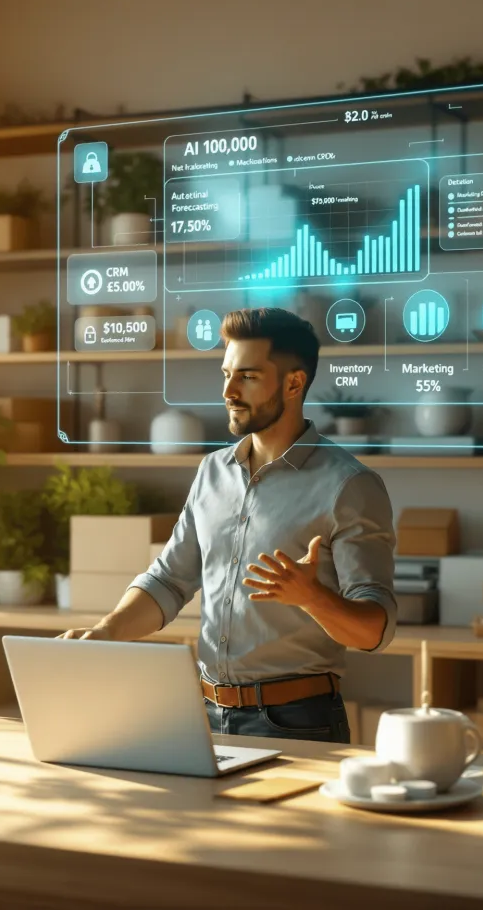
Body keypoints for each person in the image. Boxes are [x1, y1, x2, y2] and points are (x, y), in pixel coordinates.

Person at [59, 307, 397, 744]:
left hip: (298, 722)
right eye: (226, 374)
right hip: (204, 715)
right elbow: (168, 581)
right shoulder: (212, 471)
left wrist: (311, 596)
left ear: (293, 383)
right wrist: (106, 632)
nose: (229, 390)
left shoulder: (350, 485)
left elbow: (376, 630)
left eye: (248, 377)